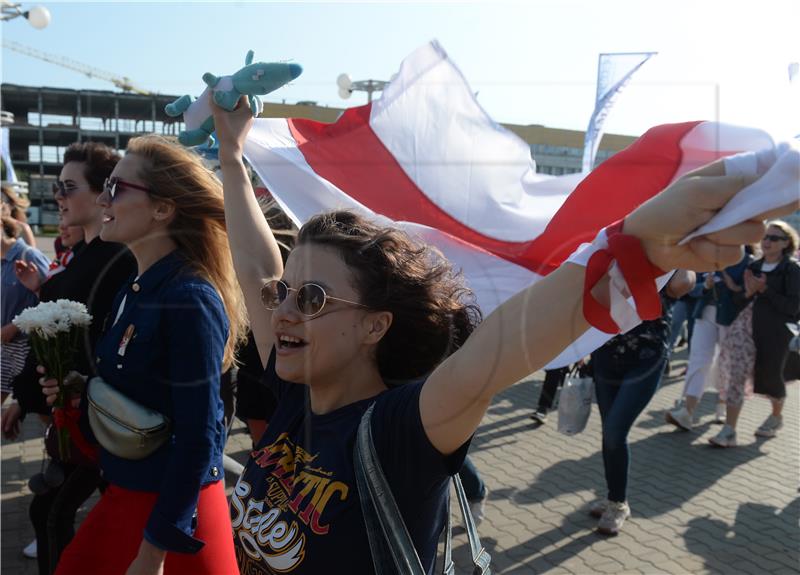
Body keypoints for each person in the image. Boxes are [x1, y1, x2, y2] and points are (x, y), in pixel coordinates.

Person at [213, 97, 778, 573]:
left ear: (374, 325)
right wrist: (232, 156)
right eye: (282, 295)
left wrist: (633, 246)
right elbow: (256, 266)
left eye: (310, 298)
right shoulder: (295, 391)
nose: (282, 310)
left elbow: (501, 347)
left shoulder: (397, 430)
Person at [41, 134, 246, 575]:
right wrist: (80, 392)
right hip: (128, 497)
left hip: (172, 520)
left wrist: (155, 549)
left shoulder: (190, 298)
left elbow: (201, 436)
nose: (103, 199)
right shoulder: (134, 288)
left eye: (116, 188)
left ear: (162, 208)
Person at [2, 142, 136, 575]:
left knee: (52, 513)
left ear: (103, 194)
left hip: (93, 423)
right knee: (51, 513)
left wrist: (76, 389)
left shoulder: (119, 260)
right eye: (57, 187)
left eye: (67, 186)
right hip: (71, 419)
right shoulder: (86, 255)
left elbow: (102, 342)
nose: (57, 196)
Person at [589, 271, 694, 536]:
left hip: (646, 358)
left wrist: (674, 246)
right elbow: (592, 290)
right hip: (605, 353)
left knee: (615, 432)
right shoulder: (612, 249)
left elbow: (682, 284)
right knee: (608, 433)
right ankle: (613, 495)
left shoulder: (664, 257)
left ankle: (618, 504)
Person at [710, 221, 800, 447]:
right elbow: (740, 300)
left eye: (774, 238)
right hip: (745, 328)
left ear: (786, 243)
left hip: (776, 333)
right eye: (765, 237)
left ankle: (776, 416)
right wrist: (747, 293)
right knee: (737, 374)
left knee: (770, 377)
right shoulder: (755, 265)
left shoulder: (791, 269)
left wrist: (765, 290)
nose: (767, 241)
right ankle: (729, 430)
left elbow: (793, 308)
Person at [665, 252, 751, 430]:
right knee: (698, 359)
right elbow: (691, 288)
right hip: (704, 312)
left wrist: (732, 286)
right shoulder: (706, 257)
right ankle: (686, 412)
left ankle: (721, 406)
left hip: (731, 318)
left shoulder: (749, 262)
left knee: (724, 363)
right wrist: (705, 285)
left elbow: (748, 294)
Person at [1, 217, 50, 404]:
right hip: (5, 348)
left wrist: (15, 326)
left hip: (27, 347)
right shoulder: (2, 260)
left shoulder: (29, 255)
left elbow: (51, 300)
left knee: (35, 407)